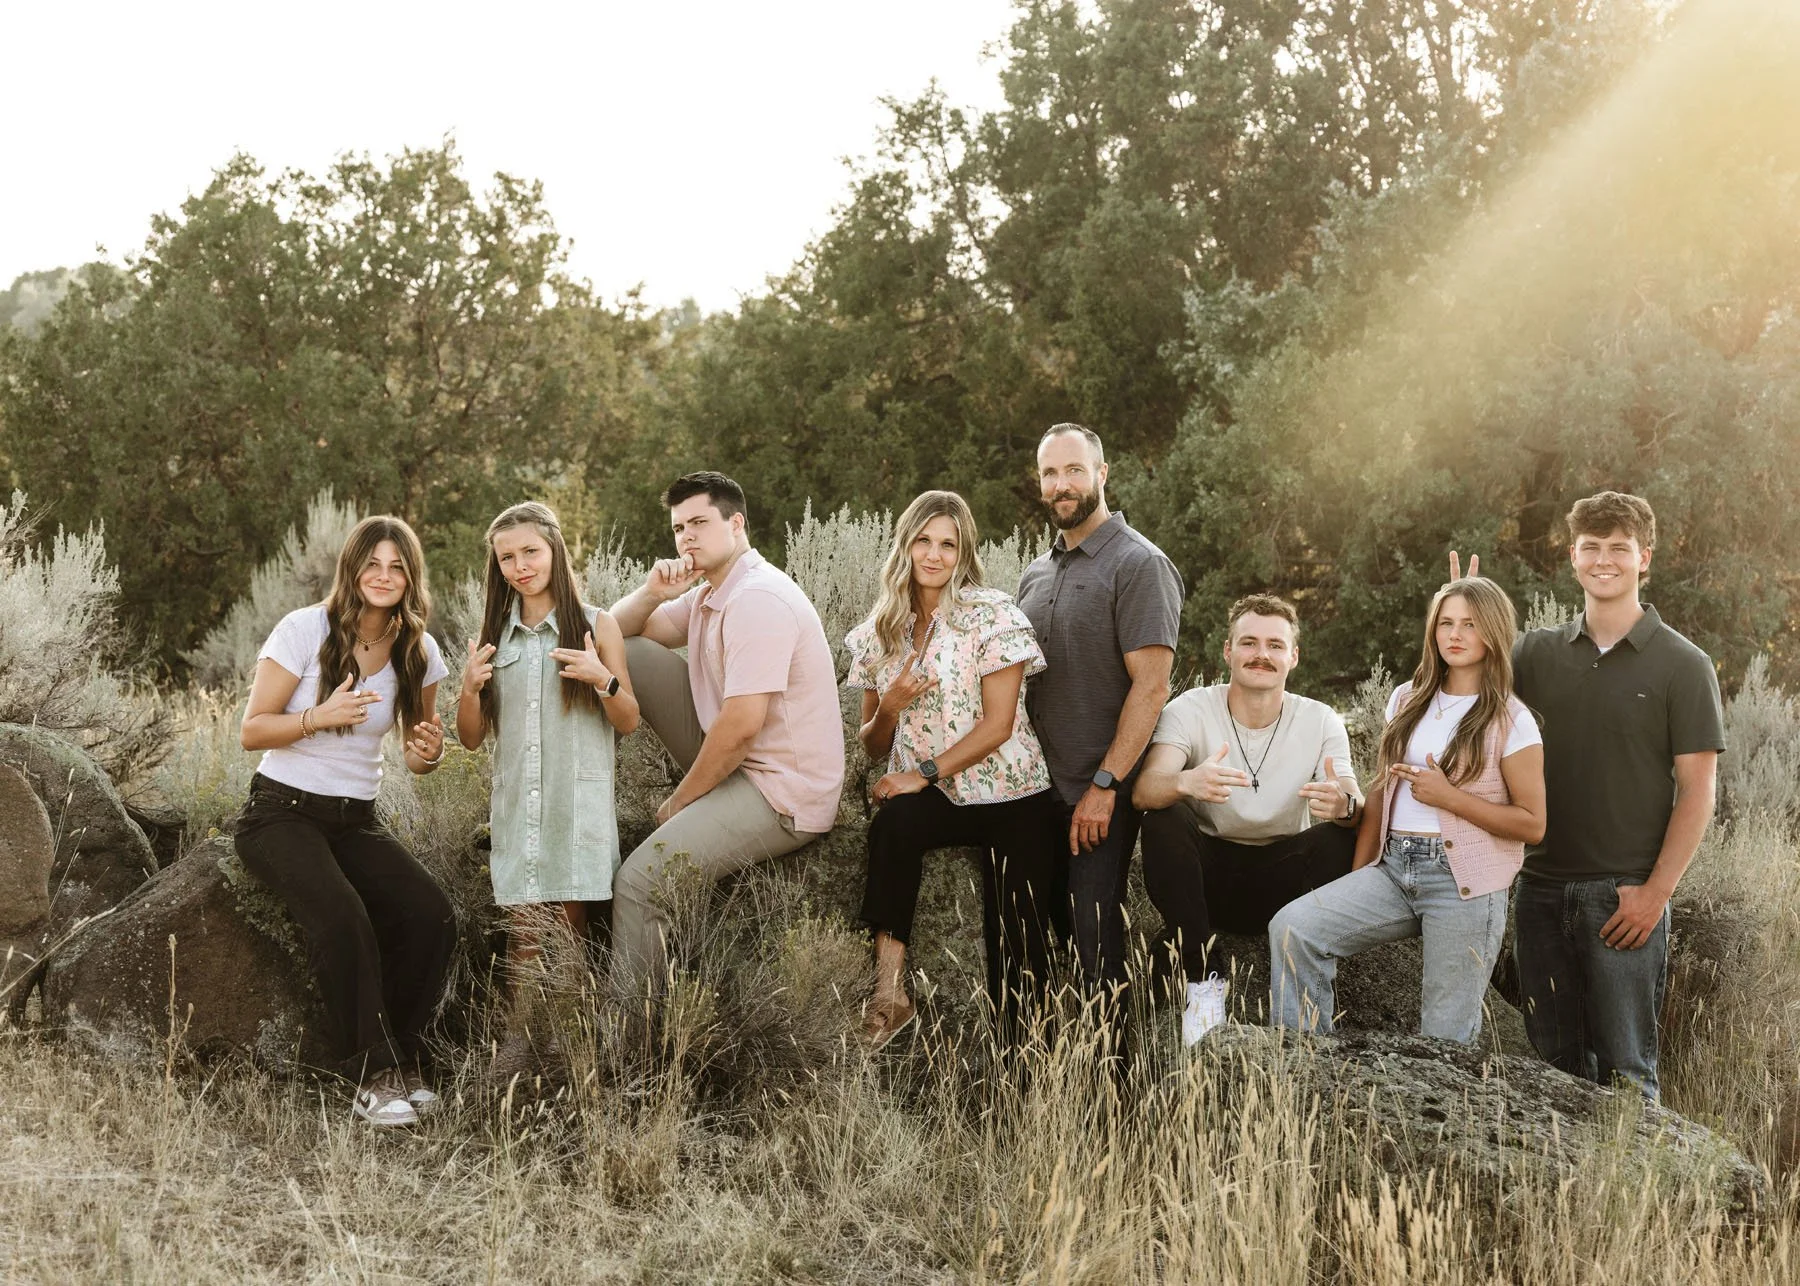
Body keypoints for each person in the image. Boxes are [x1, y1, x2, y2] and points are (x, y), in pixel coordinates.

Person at [235, 515, 457, 1128]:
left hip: (355, 819)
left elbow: (417, 756)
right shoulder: (304, 628)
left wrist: (430, 751)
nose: (384, 577)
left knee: (432, 915)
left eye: (397, 566)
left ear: (411, 577)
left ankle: (403, 1060)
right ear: (352, 570)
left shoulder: (419, 649)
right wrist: (319, 715)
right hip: (280, 813)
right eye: (373, 565)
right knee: (343, 916)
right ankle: (370, 1075)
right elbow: (253, 731)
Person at [1507, 492, 1724, 1099]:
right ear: (1572, 557)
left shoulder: (1684, 664)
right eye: (1592, 548)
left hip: (1625, 898)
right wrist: (1465, 611)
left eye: (1619, 549)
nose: (1605, 560)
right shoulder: (1533, 654)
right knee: (1553, 1077)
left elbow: (1698, 791)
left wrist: (1656, 893)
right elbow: (1461, 706)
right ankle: (1570, 1196)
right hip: (1540, 893)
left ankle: (1638, 1194)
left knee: (1630, 1077)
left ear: (1643, 558)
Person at [1268, 577, 1545, 1043]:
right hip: (1394, 869)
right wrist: (1358, 873)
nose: (1454, 635)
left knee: (1445, 1037)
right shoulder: (1406, 698)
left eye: (1471, 625)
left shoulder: (1512, 719)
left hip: (1465, 885)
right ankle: (1303, 1073)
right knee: (1295, 929)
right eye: (1446, 623)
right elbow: (1382, 787)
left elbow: (1533, 824)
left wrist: (1450, 798)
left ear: (1493, 632)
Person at [608, 471, 846, 1002]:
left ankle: (632, 1042)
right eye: (677, 529)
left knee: (640, 884)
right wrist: (651, 591)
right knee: (636, 656)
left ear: (735, 524)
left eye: (698, 523)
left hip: (782, 791)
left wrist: (678, 802)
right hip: (742, 763)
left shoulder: (758, 598)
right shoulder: (710, 593)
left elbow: (741, 727)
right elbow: (613, 631)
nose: (686, 537)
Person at [847, 491, 1060, 1047]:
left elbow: (999, 725)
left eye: (948, 543)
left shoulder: (992, 616)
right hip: (942, 798)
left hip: (1013, 794)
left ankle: (1027, 1059)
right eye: (924, 540)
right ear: (906, 545)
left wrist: (923, 773)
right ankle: (890, 992)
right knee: (893, 827)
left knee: (1019, 931)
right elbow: (871, 747)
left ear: (964, 551)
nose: (934, 555)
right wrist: (889, 706)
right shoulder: (879, 631)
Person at [1133, 593, 1361, 1045]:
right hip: (1206, 879)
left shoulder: (1320, 720)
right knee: (1162, 817)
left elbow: (1351, 794)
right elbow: (1145, 788)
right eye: (1249, 642)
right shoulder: (1191, 709)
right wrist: (1186, 782)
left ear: (1293, 656)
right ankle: (1202, 978)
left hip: (1282, 882)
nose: (1262, 655)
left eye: (1275, 645)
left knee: (1340, 839)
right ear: (1228, 651)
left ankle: (1302, 976)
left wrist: (1345, 807)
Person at [456, 502, 640, 1041]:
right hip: (519, 809)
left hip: (572, 806)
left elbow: (627, 720)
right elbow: (469, 738)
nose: (520, 565)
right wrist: (468, 689)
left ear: (555, 549)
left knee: (568, 931)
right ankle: (518, 1049)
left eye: (530, 551)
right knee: (522, 937)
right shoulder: (495, 634)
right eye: (507, 557)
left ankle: (569, 1050)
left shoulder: (596, 625)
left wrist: (602, 678)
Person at [1016, 423, 1183, 1001]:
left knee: (1094, 944)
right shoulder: (1035, 574)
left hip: (1099, 794)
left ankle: (1112, 1083)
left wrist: (1106, 784)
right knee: (1030, 943)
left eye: (1075, 470)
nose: (1062, 485)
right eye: (1050, 474)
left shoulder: (1140, 565)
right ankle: (1040, 1079)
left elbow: (1152, 688)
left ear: (1102, 475)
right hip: (1035, 792)